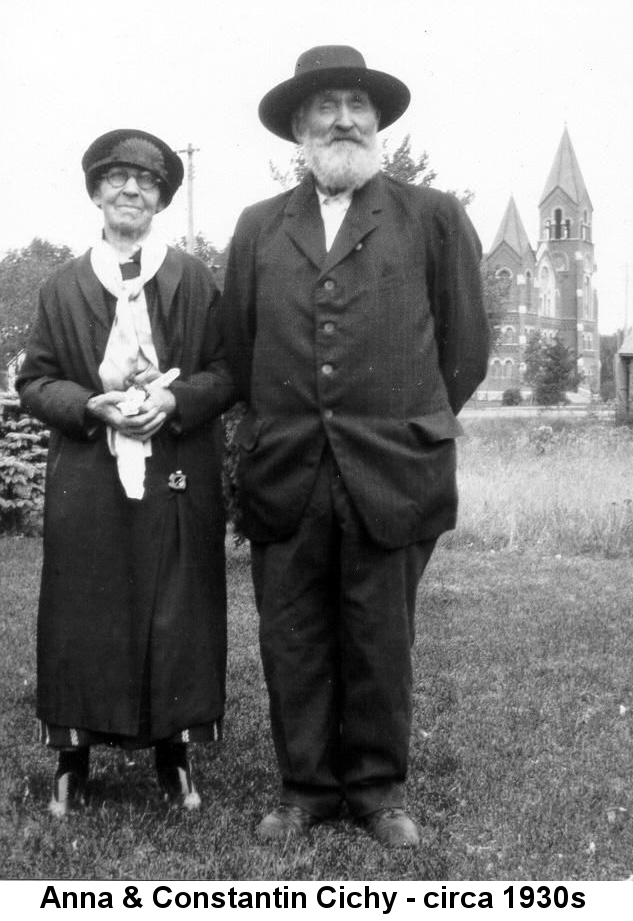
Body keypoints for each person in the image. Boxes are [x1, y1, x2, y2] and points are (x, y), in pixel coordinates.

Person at [219, 45, 490, 847]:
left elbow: (464, 349)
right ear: (297, 129)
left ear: (377, 121)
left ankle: (377, 790)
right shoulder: (258, 226)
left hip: (393, 467)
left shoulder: (431, 215)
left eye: (356, 105)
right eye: (325, 106)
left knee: (379, 635)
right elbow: (238, 346)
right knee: (292, 633)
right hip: (286, 467)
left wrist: (405, 422)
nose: (344, 118)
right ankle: (303, 788)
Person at [17, 129, 234, 817]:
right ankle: (71, 758)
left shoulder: (195, 280)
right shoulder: (64, 285)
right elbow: (35, 381)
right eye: (116, 179)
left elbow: (228, 372)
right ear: (96, 193)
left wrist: (173, 400)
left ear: (162, 198)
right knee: (84, 608)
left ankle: (174, 754)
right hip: (88, 469)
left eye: (145, 182)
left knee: (178, 608)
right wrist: (90, 405)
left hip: (177, 468)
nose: (131, 190)